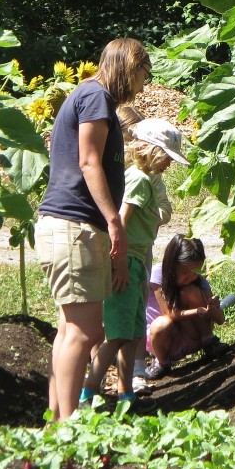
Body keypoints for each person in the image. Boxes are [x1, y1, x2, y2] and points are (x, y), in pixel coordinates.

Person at [36, 38, 151, 420]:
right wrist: (114, 221)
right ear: (128, 66)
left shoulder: (90, 97)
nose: (144, 83)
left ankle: (57, 418)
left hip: (71, 227)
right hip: (74, 226)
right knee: (84, 333)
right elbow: (88, 162)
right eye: (143, 73)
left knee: (72, 330)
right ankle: (66, 425)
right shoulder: (96, 97)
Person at [79, 119, 188, 405]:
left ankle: (124, 390)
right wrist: (120, 263)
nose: (169, 165)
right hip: (127, 260)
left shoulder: (147, 179)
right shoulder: (139, 179)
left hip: (137, 258)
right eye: (167, 158)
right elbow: (122, 222)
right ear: (153, 151)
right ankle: (89, 390)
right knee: (116, 334)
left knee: (131, 331)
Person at [145, 235, 225, 378]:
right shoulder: (159, 273)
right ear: (172, 264)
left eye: (195, 273)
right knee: (161, 324)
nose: (190, 278)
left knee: (190, 292)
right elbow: (169, 314)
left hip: (192, 336)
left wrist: (213, 307)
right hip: (164, 341)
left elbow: (220, 320)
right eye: (184, 273)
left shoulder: (198, 282)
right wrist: (198, 311)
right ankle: (162, 362)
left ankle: (209, 341)